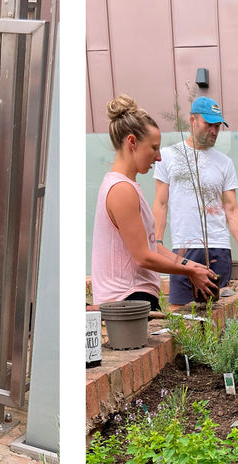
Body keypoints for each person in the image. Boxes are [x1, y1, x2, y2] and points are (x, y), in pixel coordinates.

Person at [91, 95, 219, 309]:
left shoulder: (127, 186)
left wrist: (191, 265)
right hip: (127, 301)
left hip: (134, 297)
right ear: (132, 142)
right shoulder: (121, 190)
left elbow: (152, 248)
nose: (158, 157)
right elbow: (143, 257)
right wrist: (189, 271)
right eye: (154, 148)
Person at [153, 96, 238, 306]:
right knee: (179, 311)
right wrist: (157, 242)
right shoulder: (168, 156)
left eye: (217, 126)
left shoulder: (224, 163)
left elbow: (232, 209)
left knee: (219, 312)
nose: (214, 131)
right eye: (209, 124)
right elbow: (161, 204)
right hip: (184, 248)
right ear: (192, 120)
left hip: (218, 246)